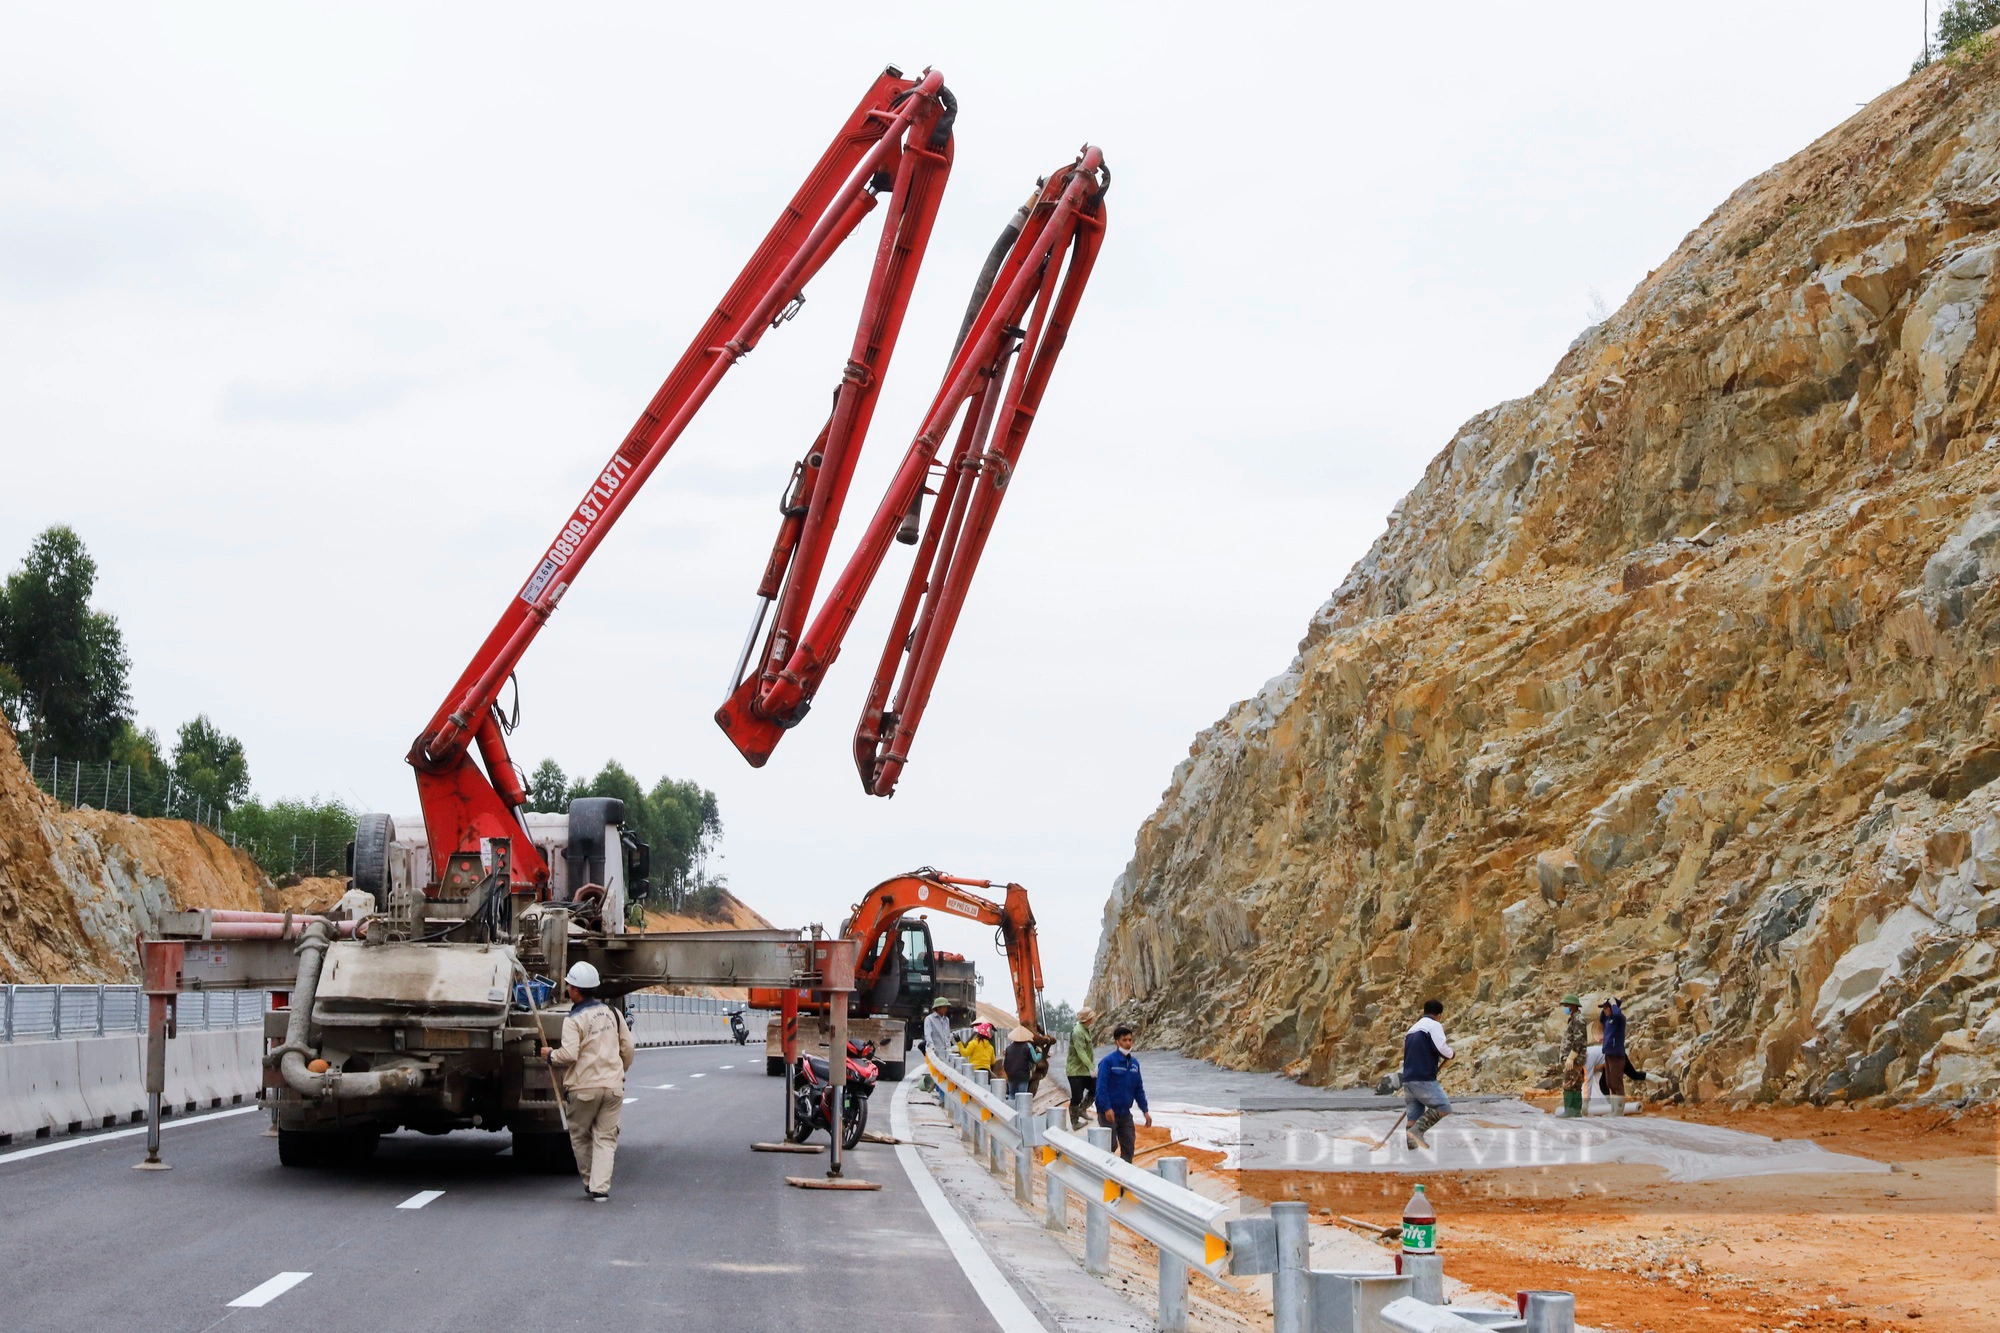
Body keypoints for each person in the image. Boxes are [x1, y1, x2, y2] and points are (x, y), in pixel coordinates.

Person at [539, 960, 634, 1201]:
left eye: (569, 985)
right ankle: (600, 1188)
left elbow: (569, 1055)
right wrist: (619, 1071)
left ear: (576, 990)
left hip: (583, 1089)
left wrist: (550, 1055)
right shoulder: (613, 1013)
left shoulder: (573, 1020)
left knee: (580, 1136)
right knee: (606, 1137)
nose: (568, 989)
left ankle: (591, 1180)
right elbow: (628, 1047)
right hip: (613, 1087)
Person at [1401, 999, 1453, 1150]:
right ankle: (1417, 1132)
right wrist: (1451, 1053)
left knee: (1413, 1117)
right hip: (1423, 1077)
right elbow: (1441, 1048)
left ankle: (1412, 1154)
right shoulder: (1434, 1025)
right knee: (1444, 1106)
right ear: (1438, 1015)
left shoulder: (1413, 1028)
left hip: (1408, 1079)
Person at [1095, 1023, 1150, 1162]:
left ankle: (1122, 1181)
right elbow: (1101, 1087)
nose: (1128, 1043)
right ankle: (1105, 1174)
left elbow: (1138, 1089)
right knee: (1110, 1146)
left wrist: (1145, 1111)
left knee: (1128, 1146)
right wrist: (1107, 1108)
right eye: (1124, 1040)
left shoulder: (1134, 1064)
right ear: (1117, 1042)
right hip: (1108, 1113)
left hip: (1125, 1113)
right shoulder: (1108, 1062)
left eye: (1130, 1040)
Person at [1066, 1008, 1098, 1130]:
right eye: (1091, 1018)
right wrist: (1091, 1066)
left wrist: (1090, 1066)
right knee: (1077, 1096)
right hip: (1075, 1071)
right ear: (1088, 1019)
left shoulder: (1085, 1030)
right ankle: (1075, 1122)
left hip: (1084, 1070)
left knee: (1095, 1088)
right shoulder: (1078, 1032)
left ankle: (1082, 1109)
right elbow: (1081, 1052)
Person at [1558, 993, 1588, 1119]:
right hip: (1576, 1058)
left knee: (1569, 1084)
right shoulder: (1575, 1019)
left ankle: (1570, 1110)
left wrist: (1571, 1057)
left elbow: (1579, 1040)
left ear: (1573, 1006)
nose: (1565, 1008)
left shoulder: (1578, 1020)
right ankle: (1576, 1111)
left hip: (1574, 1059)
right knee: (1576, 1085)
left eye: (1567, 1005)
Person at [1598, 997, 1628, 1115]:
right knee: (1610, 1083)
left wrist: (1614, 1004)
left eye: (1606, 1007)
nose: (1605, 1010)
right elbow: (1601, 1018)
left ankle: (1619, 1110)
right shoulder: (1607, 1019)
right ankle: (1614, 1109)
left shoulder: (1619, 1019)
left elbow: (1617, 1014)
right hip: (1608, 1054)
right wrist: (1605, 1004)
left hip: (1617, 1054)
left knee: (1616, 1083)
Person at [1002, 1025, 1041, 1097]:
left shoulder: (1008, 1048)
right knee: (1022, 1096)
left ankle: (1011, 1108)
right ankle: (1020, 1108)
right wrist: (1039, 1053)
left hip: (1011, 1075)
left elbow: (1004, 1064)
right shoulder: (1028, 1046)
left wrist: (1008, 1073)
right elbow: (1035, 1059)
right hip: (1023, 1076)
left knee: (1011, 1094)